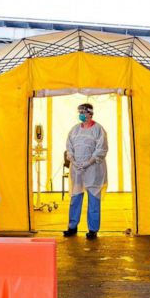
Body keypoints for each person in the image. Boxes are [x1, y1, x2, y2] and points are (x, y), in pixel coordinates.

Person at [64, 103, 108, 240]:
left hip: (93, 170)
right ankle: (72, 226)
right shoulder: (75, 130)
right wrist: (72, 158)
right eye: (79, 112)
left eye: (83, 112)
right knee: (75, 198)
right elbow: (69, 146)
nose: (80, 114)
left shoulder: (98, 130)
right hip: (77, 170)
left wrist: (90, 162)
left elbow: (102, 149)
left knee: (94, 199)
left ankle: (93, 229)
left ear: (90, 113)